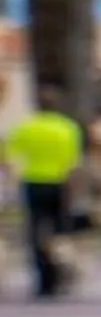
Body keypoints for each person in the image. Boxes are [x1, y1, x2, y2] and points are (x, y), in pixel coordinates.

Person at [3, 82, 85, 299]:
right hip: (60, 184)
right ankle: (62, 271)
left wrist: (13, 180)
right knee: (59, 232)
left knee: (36, 231)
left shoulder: (25, 128)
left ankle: (43, 279)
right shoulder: (68, 128)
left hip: (33, 183)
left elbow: (9, 157)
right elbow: (75, 163)